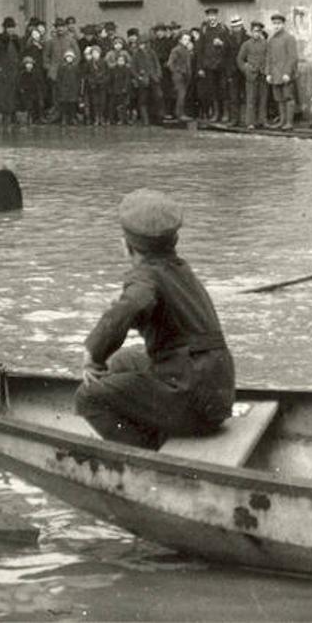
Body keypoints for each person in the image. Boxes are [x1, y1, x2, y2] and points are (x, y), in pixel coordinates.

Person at [74, 189, 236, 449]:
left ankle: (147, 452)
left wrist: (92, 353)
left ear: (127, 247)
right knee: (121, 361)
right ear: (174, 240)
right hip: (218, 394)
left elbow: (133, 305)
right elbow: (142, 310)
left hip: (193, 401)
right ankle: (151, 422)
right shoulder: (180, 269)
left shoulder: (145, 277)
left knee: (88, 397)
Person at [265, 12, 299, 130]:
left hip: (285, 74)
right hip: (275, 74)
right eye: (274, 24)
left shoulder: (289, 38)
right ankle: (282, 121)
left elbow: (293, 57)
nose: (276, 26)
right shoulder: (271, 40)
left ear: (283, 24)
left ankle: (289, 122)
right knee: (279, 98)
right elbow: (268, 57)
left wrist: (287, 73)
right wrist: (268, 73)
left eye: (279, 23)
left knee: (288, 97)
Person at [0, 17, 23, 129]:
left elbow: (19, 53)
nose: (11, 30)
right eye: (9, 27)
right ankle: (5, 119)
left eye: (13, 27)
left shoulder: (15, 40)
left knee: (14, 94)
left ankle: (13, 116)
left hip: (14, 72)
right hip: (4, 73)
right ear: (5, 28)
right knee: (4, 96)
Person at [195, 7, 228, 121]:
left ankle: (224, 113)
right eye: (210, 16)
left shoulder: (223, 29)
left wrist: (222, 44)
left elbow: (228, 46)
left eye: (214, 15)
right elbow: (199, 50)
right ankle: (216, 113)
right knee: (212, 90)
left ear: (217, 17)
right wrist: (200, 67)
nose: (212, 18)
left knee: (223, 89)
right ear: (207, 17)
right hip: (209, 65)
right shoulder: (204, 30)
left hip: (221, 65)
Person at [237, 21, 269, 129]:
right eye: (255, 31)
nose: (257, 33)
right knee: (251, 99)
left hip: (263, 75)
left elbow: (269, 58)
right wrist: (246, 69)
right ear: (251, 32)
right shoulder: (246, 44)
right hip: (251, 75)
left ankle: (262, 121)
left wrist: (267, 70)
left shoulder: (265, 43)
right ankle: (250, 122)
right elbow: (240, 59)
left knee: (263, 99)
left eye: (259, 31)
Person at [167, 32, 194, 121]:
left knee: (183, 94)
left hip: (185, 76)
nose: (187, 41)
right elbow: (170, 64)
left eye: (188, 39)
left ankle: (180, 113)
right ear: (180, 40)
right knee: (181, 95)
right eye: (185, 39)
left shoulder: (186, 50)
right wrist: (178, 71)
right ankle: (180, 114)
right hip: (179, 76)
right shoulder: (176, 50)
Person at [54, 49, 82, 126]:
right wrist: (59, 87)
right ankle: (64, 118)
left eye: (71, 57)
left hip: (73, 88)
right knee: (64, 104)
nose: (69, 59)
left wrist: (78, 88)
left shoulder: (76, 67)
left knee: (72, 104)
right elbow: (59, 78)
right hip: (64, 88)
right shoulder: (62, 67)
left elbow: (78, 78)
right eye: (68, 57)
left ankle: (72, 118)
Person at [17, 55, 46, 125]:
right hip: (26, 94)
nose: (29, 66)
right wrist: (22, 90)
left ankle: (38, 119)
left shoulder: (36, 73)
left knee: (38, 106)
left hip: (36, 93)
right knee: (28, 107)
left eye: (30, 64)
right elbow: (19, 83)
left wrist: (41, 92)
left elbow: (40, 83)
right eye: (27, 64)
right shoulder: (22, 74)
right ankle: (28, 119)